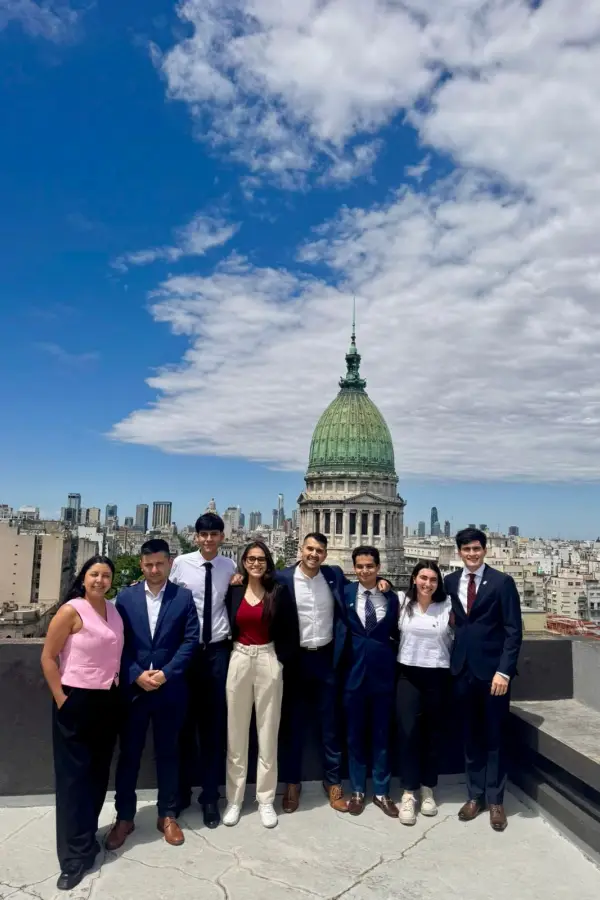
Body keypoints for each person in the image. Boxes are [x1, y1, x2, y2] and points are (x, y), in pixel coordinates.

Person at [276, 532, 392, 814]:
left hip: (327, 660)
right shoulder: (282, 579)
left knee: (331, 727)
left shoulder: (334, 576)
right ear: (300, 550)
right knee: (293, 727)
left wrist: (382, 583)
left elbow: (360, 589)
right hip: (295, 661)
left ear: (325, 555)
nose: (314, 554)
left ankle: (333, 783)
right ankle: (292, 784)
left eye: (319, 551)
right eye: (309, 549)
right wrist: (238, 579)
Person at [105, 539, 199, 851]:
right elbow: (117, 643)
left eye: (160, 564)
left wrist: (166, 672)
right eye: (148, 565)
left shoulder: (183, 598)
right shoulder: (126, 597)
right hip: (134, 691)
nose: (154, 570)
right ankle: (125, 817)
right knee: (129, 756)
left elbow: (190, 641)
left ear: (169, 563)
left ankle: (167, 814)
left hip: (170, 689)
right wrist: (135, 674)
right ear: (141, 565)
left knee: (169, 753)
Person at [41, 556, 123, 891]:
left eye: (106, 576)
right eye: (94, 574)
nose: (100, 580)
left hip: (107, 700)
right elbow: (48, 656)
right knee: (74, 780)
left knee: (97, 775)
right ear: (83, 578)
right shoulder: (71, 610)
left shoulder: (114, 611)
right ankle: (73, 859)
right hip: (76, 699)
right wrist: (62, 698)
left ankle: (87, 839)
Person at [444, 528, 523, 832]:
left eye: (477, 549)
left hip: (493, 675)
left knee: (494, 738)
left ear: (485, 550)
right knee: (470, 737)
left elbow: (514, 630)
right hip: (462, 672)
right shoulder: (451, 582)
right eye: (466, 550)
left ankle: (496, 801)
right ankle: (474, 795)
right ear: (459, 552)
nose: (472, 554)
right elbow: (421, 594)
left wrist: (504, 671)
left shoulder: (502, 582)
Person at [222, 541, 297, 829]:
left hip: (268, 656)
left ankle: (265, 799)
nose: (256, 563)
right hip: (239, 657)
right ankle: (235, 799)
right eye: (251, 559)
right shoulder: (235, 589)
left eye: (261, 559)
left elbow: (291, 630)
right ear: (243, 561)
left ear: (268, 562)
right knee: (236, 735)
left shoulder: (278, 591)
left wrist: (278, 662)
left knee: (268, 733)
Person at [171, 512, 237, 828]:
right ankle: (181, 791)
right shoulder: (181, 564)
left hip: (218, 652)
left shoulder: (230, 568)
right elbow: (165, 599)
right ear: (196, 537)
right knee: (182, 725)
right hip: (186, 652)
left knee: (213, 729)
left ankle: (210, 797)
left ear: (222, 537)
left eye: (214, 534)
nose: (209, 539)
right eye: (203, 535)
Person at [338, 546, 400, 818]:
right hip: (353, 674)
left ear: (378, 567)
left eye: (370, 566)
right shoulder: (345, 593)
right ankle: (358, 791)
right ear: (354, 568)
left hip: (383, 675)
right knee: (354, 737)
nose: (365, 571)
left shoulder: (391, 596)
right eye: (360, 566)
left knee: (382, 736)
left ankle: (382, 792)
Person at [396, 560, 453, 826]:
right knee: (407, 734)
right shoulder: (399, 601)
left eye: (432, 579)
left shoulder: (448, 605)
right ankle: (408, 792)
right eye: (423, 578)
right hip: (408, 675)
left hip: (437, 674)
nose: (427, 583)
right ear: (414, 578)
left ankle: (428, 788)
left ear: (438, 583)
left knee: (433, 734)